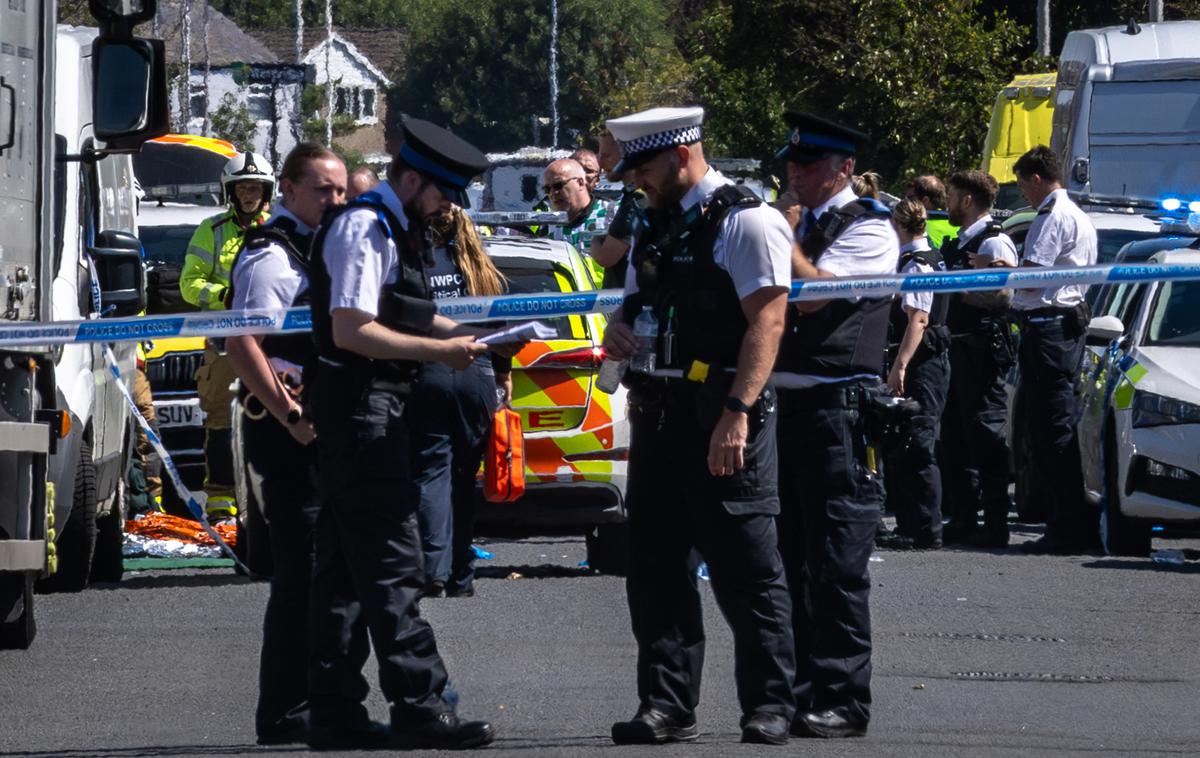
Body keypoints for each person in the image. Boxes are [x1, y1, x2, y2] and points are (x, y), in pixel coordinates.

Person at [305, 118, 517, 750]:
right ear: (415, 179)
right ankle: (420, 705)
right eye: (444, 193)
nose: (449, 208)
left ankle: (335, 709)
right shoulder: (366, 228)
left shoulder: (394, 228)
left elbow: (405, 307)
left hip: (368, 412)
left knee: (345, 574)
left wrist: (468, 334)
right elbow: (351, 329)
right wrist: (436, 351)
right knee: (395, 564)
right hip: (364, 414)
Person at [603, 106, 797, 746]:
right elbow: (632, 303)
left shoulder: (746, 220)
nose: (637, 181)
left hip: (722, 414)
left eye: (645, 167)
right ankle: (666, 704)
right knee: (655, 570)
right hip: (660, 414)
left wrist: (737, 413)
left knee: (746, 569)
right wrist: (619, 330)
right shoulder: (655, 223)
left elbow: (767, 322)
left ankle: (769, 705)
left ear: (682, 154)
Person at [223, 142, 384, 747]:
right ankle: (287, 709)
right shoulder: (273, 255)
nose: (335, 200)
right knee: (304, 575)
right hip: (289, 433)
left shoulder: (325, 248)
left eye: (341, 190)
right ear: (286, 190)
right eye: (322, 189)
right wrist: (289, 413)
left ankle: (327, 701)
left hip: (326, 427)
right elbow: (243, 342)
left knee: (336, 574)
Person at [774, 111, 899, 738]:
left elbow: (817, 294)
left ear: (844, 168)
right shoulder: (804, 221)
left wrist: (784, 237)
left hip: (839, 411)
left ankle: (845, 698)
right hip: (785, 410)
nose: (796, 174)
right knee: (789, 559)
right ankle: (800, 692)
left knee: (838, 564)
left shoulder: (870, 229)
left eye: (810, 165)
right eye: (792, 164)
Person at [411, 206, 510, 599]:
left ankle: (433, 570)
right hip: (479, 377)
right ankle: (461, 575)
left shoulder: (419, 267)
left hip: (430, 371)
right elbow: (504, 331)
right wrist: (504, 377)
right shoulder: (487, 273)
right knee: (464, 477)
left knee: (431, 472)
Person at [1009, 145, 1098, 555]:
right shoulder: (1078, 214)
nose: (1023, 193)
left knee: (1051, 431)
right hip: (1060, 328)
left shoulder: (1051, 217)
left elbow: (1032, 280)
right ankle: (1066, 523)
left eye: (1023, 184)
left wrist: (1002, 275)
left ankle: (1066, 527)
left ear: (1038, 179)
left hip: (1048, 329)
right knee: (1052, 428)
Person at [180, 151, 273, 522]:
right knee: (220, 420)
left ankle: (266, 495)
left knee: (270, 416)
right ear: (231, 192)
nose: (249, 195)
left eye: (255, 188)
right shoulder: (211, 230)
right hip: (222, 341)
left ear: (266, 192)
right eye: (243, 188)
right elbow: (190, 285)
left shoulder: (278, 227)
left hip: (269, 342)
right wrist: (223, 296)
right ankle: (220, 501)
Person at [938, 169, 1019, 547]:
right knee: (956, 436)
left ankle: (996, 524)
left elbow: (1002, 297)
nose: (947, 203)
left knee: (986, 435)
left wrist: (955, 292)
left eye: (952, 196)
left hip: (982, 350)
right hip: (958, 346)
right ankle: (964, 518)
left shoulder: (994, 244)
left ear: (967, 200)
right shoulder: (965, 242)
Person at [876, 200, 950, 551]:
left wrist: (900, 365)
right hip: (926, 364)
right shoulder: (928, 256)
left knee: (918, 444)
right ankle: (914, 525)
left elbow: (918, 319)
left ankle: (924, 529)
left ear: (898, 225)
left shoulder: (917, 265)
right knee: (909, 442)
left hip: (923, 366)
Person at [589, 128, 649, 289]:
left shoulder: (637, 200)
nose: (600, 163)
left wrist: (594, 242)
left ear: (628, 156)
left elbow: (605, 257)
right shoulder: (634, 197)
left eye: (607, 156)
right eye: (599, 155)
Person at [540, 158, 610, 281]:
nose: (553, 193)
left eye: (558, 185)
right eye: (547, 189)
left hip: (607, 298)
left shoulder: (610, 214)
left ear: (580, 183)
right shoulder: (548, 225)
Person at [906, 174, 957, 250]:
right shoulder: (958, 225)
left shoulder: (914, 226)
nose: (906, 202)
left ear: (925, 200)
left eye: (910, 199)